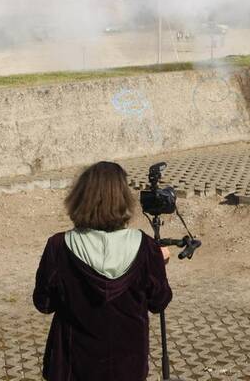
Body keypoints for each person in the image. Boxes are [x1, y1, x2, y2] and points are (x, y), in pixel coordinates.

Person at [33, 161, 172, 381]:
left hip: (72, 367)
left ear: (80, 197)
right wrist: (157, 264)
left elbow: (44, 303)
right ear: (124, 199)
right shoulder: (145, 247)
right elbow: (159, 302)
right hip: (128, 369)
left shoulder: (58, 246)